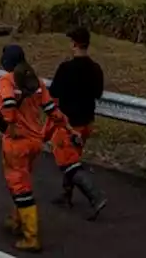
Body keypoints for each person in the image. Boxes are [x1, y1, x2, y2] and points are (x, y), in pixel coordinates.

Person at [0, 43, 78, 252]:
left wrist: (10, 122)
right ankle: (17, 220)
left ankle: (31, 236)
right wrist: (68, 127)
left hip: (17, 142)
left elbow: (7, 103)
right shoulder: (36, 81)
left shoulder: (6, 80)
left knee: (19, 185)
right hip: (35, 142)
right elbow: (52, 109)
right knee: (21, 179)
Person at [47, 26, 108, 219]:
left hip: (68, 124)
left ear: (74, 44)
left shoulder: (66, 68)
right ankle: (66, 195)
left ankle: (95, 197)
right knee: (73, 159)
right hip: (86, 122)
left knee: (67, 161)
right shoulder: (96, 69)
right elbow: (98, 93)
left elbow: (54, 92)